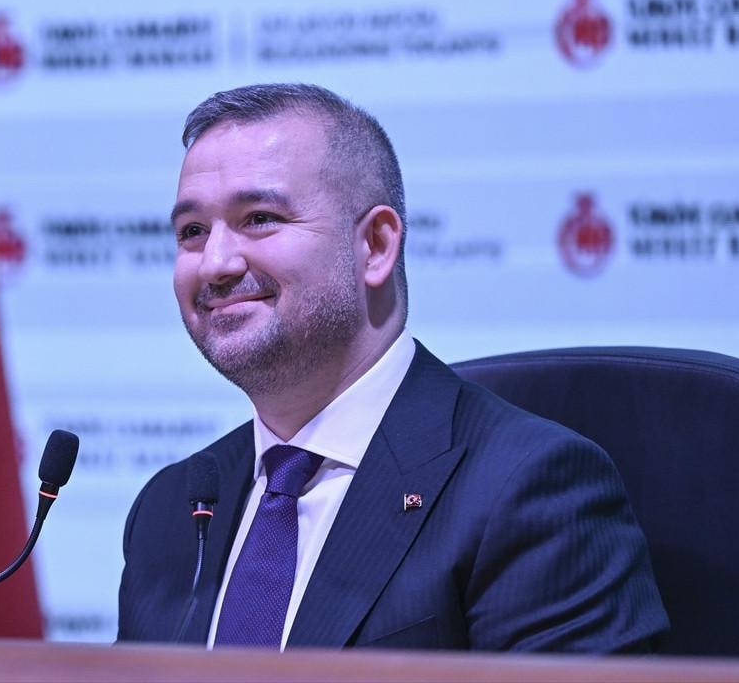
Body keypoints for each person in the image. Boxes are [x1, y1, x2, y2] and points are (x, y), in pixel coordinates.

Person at [116, 83, 669, 651]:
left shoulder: (529, 491)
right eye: (192, 232)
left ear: (376, 246)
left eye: (259, 218)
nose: (214, 264)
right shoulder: (170, 510)